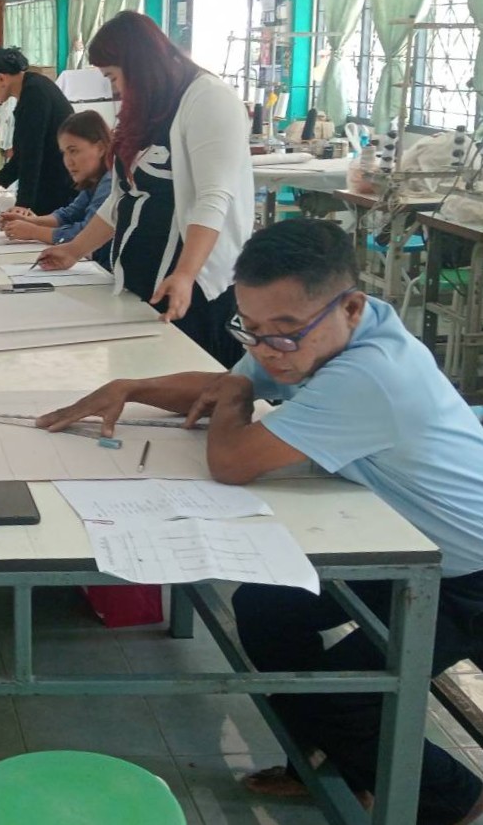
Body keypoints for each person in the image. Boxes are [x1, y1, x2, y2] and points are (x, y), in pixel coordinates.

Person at [38, 219, 483, 825]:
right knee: (266, 608)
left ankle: (453, 799)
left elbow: (231, 461)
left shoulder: (372, 375)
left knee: (347, 697)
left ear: (350, 306)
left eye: (284, 332)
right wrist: (132, 386)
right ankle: (328, 759)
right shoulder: (321, 331)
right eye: (252, 328)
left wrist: (232, 400)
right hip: (416, 543)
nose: (268, 349)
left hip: (465, 578)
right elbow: (227, 387)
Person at [36, 11, 253, 366]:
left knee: (187, 378)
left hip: (190, 287)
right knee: (137, 376)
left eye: (113, 76)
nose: (114, 89)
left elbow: (213, 197)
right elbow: (123, 197)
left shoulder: (209, 99)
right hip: (142, 282)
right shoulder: (148, 107)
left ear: (139, 65)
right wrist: (74, 249)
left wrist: (185, 274)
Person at [0, 109, 114, 267]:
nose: (68, 161)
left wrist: (33, 231)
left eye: (73, 151)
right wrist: (29, 221)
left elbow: (86, 233)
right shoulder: (94, 180)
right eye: (64, 153)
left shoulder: (111, 182)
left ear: (100, 148)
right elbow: (68, 215)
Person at [0, 46, 75, 216]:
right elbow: (24, 152)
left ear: (1, 78)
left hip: (59, 185)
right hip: (53, 179)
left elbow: (32, 156)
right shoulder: (32, 86)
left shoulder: (34, 95)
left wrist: (23, 206)